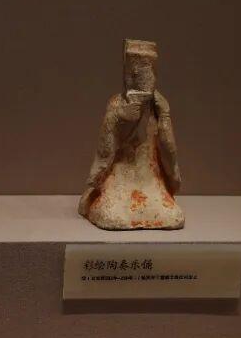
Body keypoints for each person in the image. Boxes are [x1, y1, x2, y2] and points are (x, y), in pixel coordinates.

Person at [77, 39, 183, 230]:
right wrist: (119, 118)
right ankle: (100, 200)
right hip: (119, 175)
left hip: (149, 179)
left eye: (148, 71)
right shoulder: (118, 104)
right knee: (111, 214)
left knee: (172, 215)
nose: (143, 78)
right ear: (128, 75)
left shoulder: (158, 106)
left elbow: (168, 149)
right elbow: (105, 148)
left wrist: (165, 116)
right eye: (136, 73)